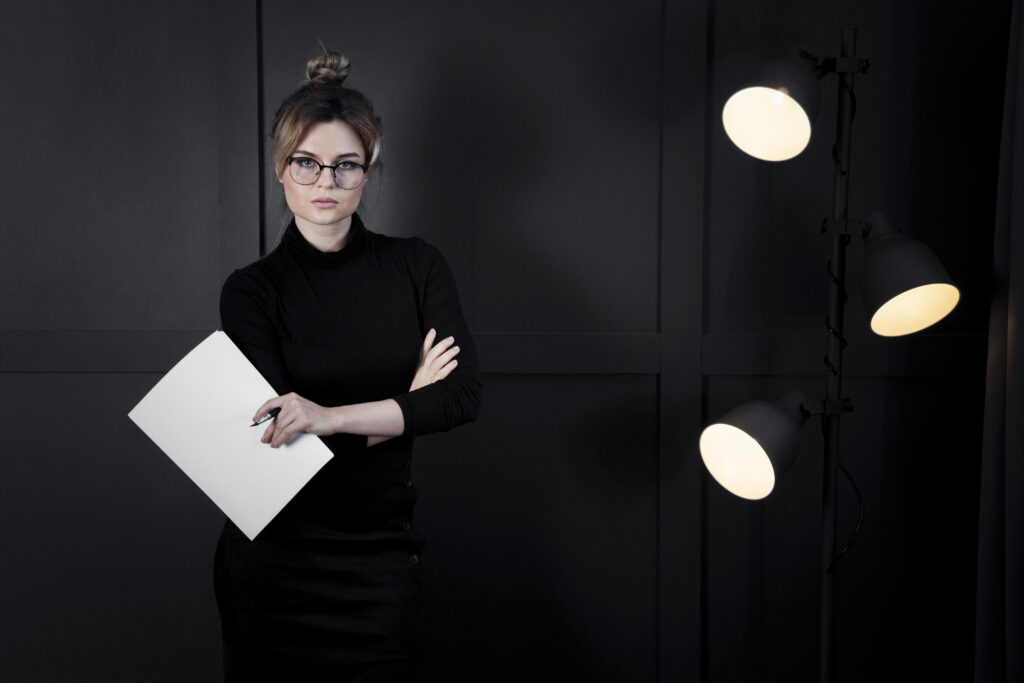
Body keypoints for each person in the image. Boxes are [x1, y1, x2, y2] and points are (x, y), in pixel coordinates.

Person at [213, 50, 481, 682]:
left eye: (345, 165)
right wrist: (404, 407)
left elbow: (463, 397)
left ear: (368, 172)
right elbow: (280, 440)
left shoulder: (417, 267)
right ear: (281, 169)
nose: (324, 182)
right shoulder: (251, 290)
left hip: (379, 560)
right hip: (273, 566)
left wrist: (327, 415)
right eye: (306, 163)